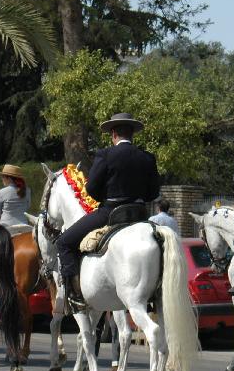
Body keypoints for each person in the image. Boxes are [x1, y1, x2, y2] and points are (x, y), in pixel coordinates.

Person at [56, 113, 160, 313]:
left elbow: (91, 189)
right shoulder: (147, 157)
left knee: (64, 242)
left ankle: (74, 296)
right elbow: (153, 192)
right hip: (140, 215)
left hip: (111, 212)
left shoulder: (105, 155)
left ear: (113, 134)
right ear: (132, 134)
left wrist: (107, 195)